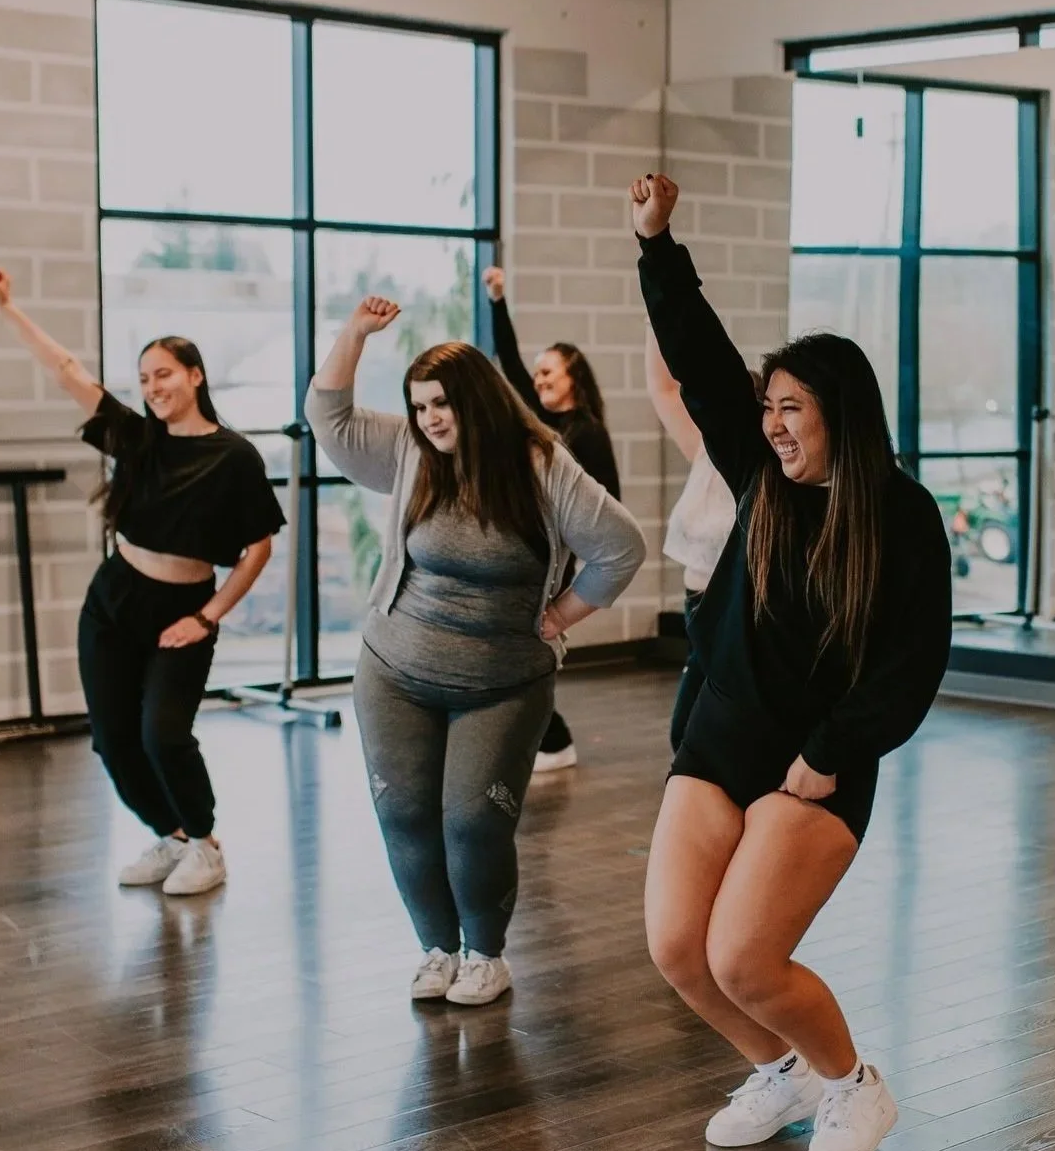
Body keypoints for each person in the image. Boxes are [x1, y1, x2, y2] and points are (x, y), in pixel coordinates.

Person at [635, 173, 951, 1151]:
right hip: (720, 740)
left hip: (816, 761)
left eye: (792, 408)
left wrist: (828, 753)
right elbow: (697, 356)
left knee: (744, 956)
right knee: (678, 948)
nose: (773, 424)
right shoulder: (760, 477)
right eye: (767, 406)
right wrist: (656, 242)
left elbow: (911, 667)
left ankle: (854, 1083)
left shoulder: (901, 516)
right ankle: (783, 1072)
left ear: (838, 413)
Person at [307, 296, 644, 1006]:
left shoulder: (542, 465)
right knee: (403, 814)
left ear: (478, 401)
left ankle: (485, 954)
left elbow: (621, 547)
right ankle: (437, 948)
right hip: (394, 669)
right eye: (419, 405)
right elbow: (328, 419)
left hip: (502, 683)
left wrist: (562, 613)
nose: (430, 418)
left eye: (443, 403)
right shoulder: (411, 450)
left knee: (472, 821)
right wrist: (355, 334)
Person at [0, 268, 283, 897]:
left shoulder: (234, 457)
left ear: (195, 376)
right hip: (115, 599)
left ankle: (204, 844)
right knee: (113, 740)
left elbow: (259, 547)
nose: (153, 388)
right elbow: (67, 370)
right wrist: (9, 309)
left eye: (164, 374)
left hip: (184, 607)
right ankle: (171, 836)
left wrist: (207, 617)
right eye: (144, 379)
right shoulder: (138, 438)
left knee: (163, 734)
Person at [482, 265, 622, 772]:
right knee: (520, 645)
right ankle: (539, 737)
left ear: (573, 380)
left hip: (555, 558)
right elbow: (512, 365)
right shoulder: (545, 423)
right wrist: (498, 301)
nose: (538, 380)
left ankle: (553, 739)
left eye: (549, 374)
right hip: (535, 550)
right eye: (539, 374)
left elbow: (609, 506)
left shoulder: (587, 432)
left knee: (526, 645)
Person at [649, 326, 739, 750]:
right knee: (684, 734)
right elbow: (663, 389)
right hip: (697, 611)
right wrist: (655, 317)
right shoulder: (705, 450)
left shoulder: (760, 466)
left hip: (732, 616)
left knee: (693, 735)